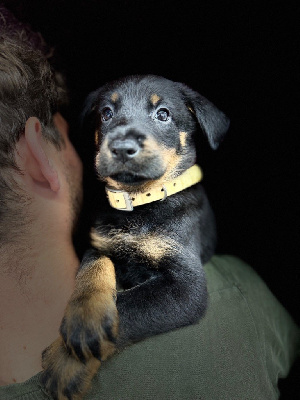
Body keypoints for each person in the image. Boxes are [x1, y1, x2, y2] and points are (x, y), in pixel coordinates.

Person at [0, 6, 299, 400]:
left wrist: (86, 342)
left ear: (191, 132)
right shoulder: (243, 302)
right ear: (41, 155)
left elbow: (183, 291)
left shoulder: (181, 218)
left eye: (161, 114)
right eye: (108, 113)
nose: (123, 138)